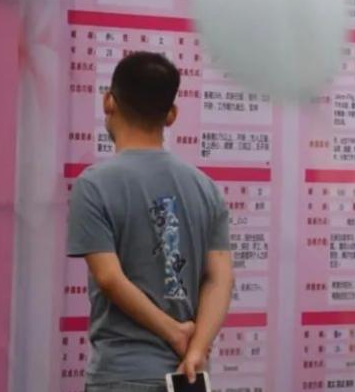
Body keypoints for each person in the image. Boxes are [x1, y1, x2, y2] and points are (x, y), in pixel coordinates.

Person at [66, 52, 234, 391]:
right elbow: (220, 278)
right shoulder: (205, 188)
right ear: (171, 115)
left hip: (122, 374)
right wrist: (196, 350)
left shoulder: (94, 185)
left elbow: (109, 278)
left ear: (108, 101)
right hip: (187, 374)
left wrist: (174, 333)